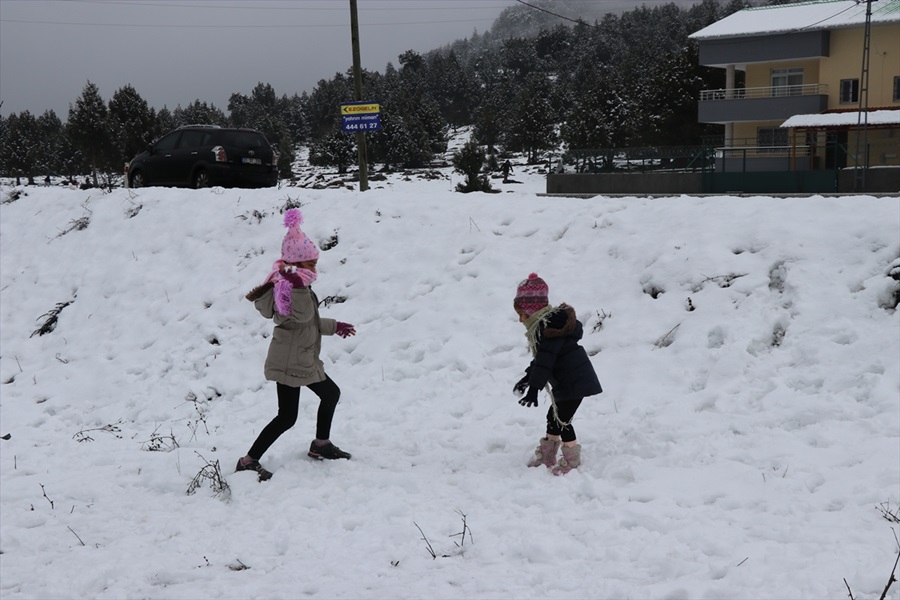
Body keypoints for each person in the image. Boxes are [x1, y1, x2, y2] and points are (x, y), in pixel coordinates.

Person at [236, 208, 357, 481]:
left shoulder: (291, 282)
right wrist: (299, 287)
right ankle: (248, 461)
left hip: (298, 357)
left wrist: (335, 326)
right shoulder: (291, 287)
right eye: (311, 264)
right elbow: (302, 316)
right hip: (292, 360)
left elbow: (307, 321)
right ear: (298, 264)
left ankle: (320, 445)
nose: (314, 268)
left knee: (328, 395)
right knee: (287, 416)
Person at [512, 273, 602, 475]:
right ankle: (547, 455)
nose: (520, 320)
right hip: (566, 382)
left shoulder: (549, 329)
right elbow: (540, 361)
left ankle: (571, 460)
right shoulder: (547, 327)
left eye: (522, 314)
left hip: (575, 381)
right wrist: (527, 380)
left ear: (531, 310)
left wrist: (534, 389)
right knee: (553, 417)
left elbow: (545, 362)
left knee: (562, 420)